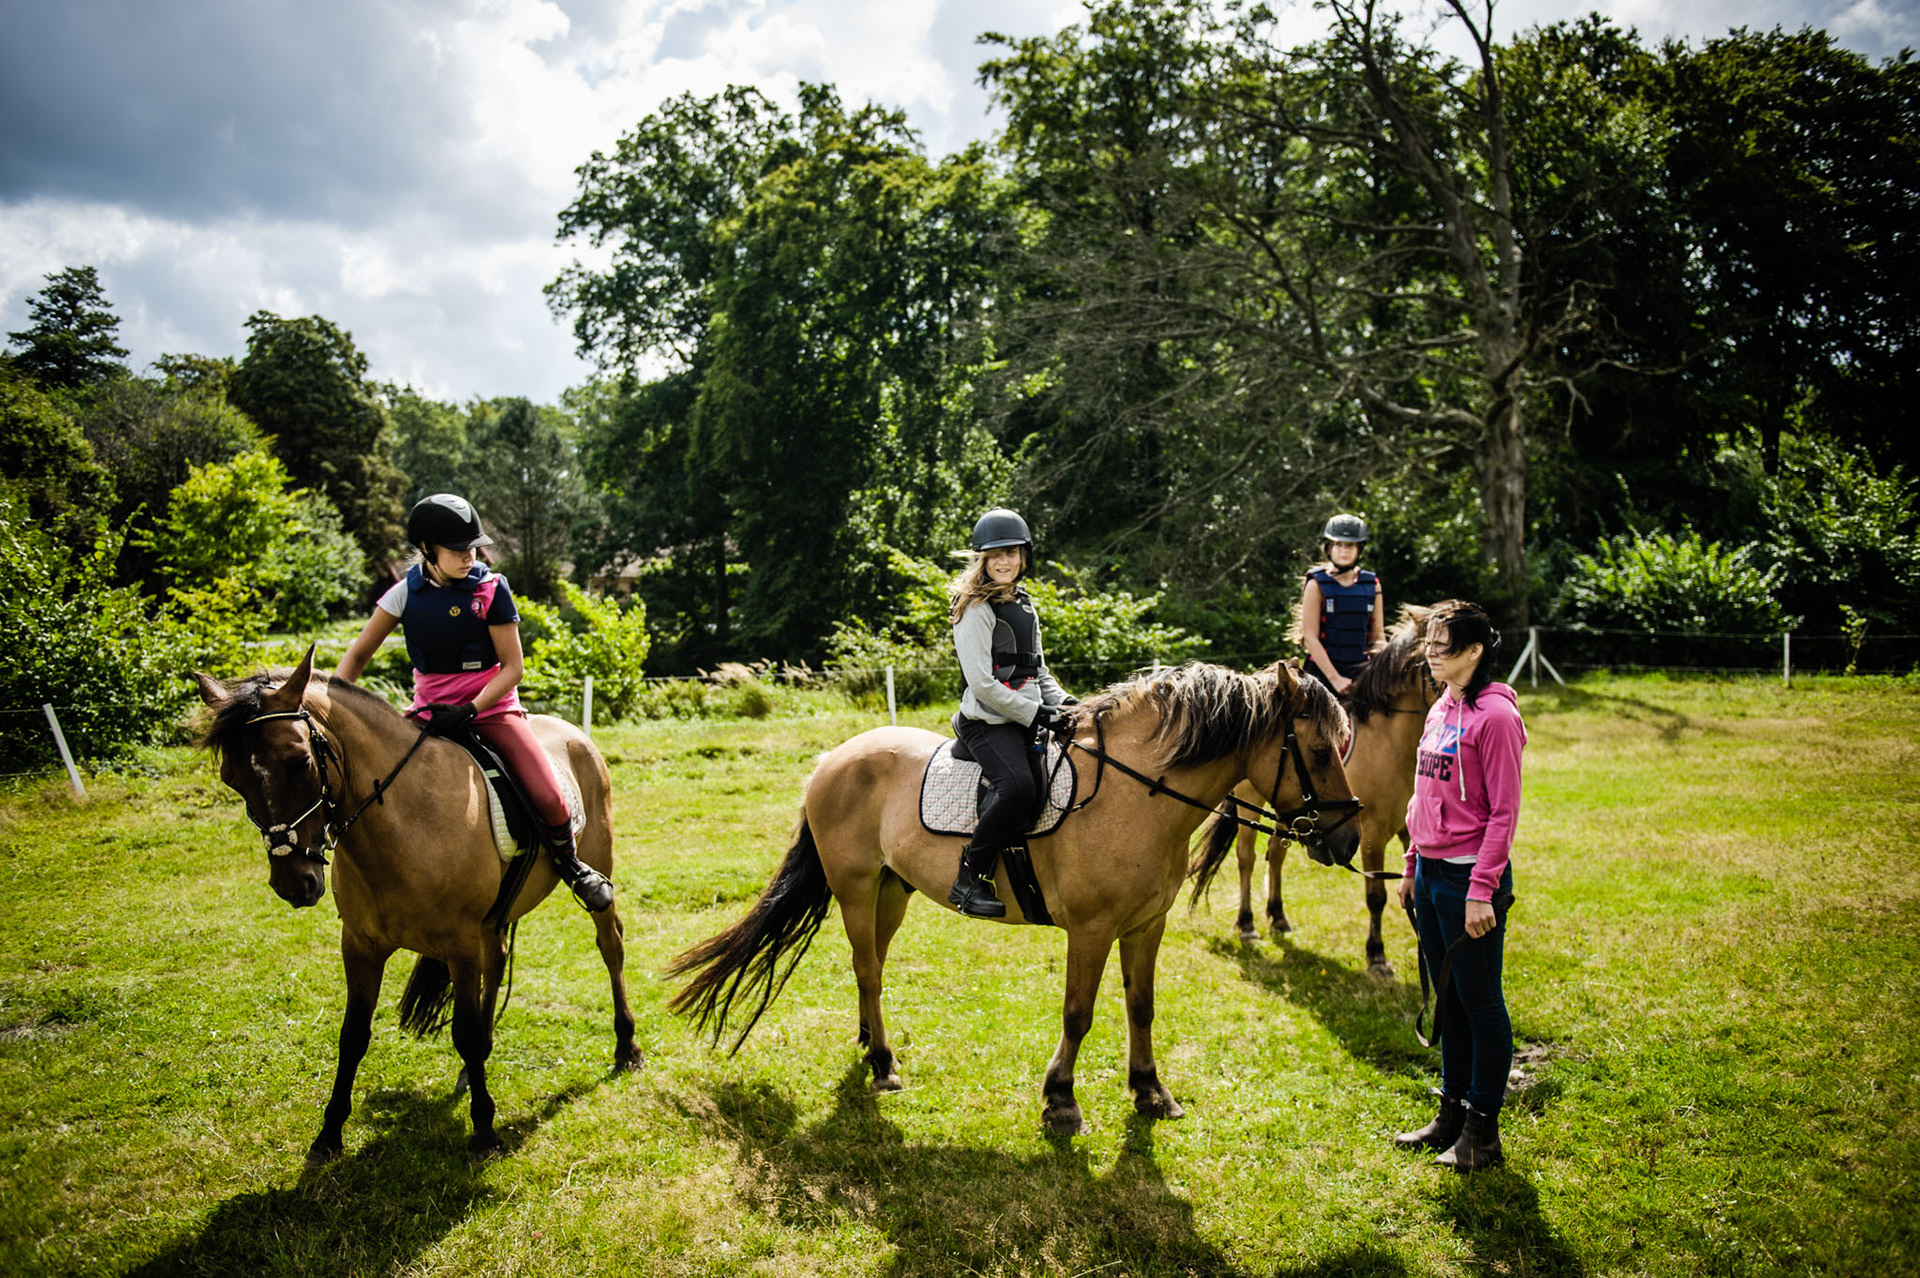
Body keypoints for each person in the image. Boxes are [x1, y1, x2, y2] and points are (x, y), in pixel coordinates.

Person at [335, 493, 614, 913]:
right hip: (428, 715)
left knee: (550, 796)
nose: (470, 556)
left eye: (473, 548)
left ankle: (572, 865)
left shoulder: (490, 589)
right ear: (427, 548)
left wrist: (471, 709)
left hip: (492, 710)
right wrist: (334, 705)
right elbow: (357, 657)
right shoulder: (402, 595)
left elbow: (513, 668)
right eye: (458, 549)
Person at [1393, 599, 1522, 1170]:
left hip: (1471, 879)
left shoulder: (1497, 718)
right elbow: (1424, 793)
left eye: (1443, 648)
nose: (1431, 655)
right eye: (1429, 645)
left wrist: (1480, 890)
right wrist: (1412, 863)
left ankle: (1482, 1133)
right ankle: (1450, 1114)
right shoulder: (1440, 707)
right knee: (1451, 1001)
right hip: (1431, 875)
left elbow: (1504, 813)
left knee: (1481, 1004)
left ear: (1474, 651)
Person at [947, 508, 1074, 919]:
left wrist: (1067, 703)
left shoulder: (1023, 603)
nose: (1005, 561)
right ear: (983, 559)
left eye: (1012, 552)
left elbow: (1038, 671)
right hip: (986, 721)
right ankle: (969, 876)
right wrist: (1037, 713)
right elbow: (982, 684)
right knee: (1017, 786)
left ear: (1024, 556)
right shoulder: (974, 608)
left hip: (1025, 714)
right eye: (996, 554)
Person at [1298, 513, 1385, 694]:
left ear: (1359, 549)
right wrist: (1335, 679)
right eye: (1338, 544)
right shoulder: (1316, 584)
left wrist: (1383, 667)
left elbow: (1378, 637)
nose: (1344, 550)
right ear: (1328, 547)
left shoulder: (1372, 584)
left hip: (1362, 673)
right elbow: (1310, 637)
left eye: (1350, 545)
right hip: (1322, 675)